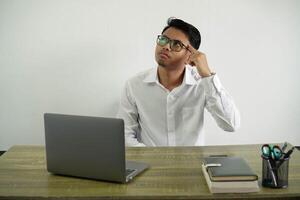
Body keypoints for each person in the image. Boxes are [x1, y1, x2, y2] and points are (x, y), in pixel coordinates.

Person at [117, 18, 240, 147]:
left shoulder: (202, 84)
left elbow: (231, 125)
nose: (165, 47)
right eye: (163, 39)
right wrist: (151, 159)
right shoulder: (134, 85)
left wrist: (207, 75)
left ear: (190, 56)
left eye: (176, 44)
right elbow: (125, 134)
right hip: (150, 163)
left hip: (192, 163)